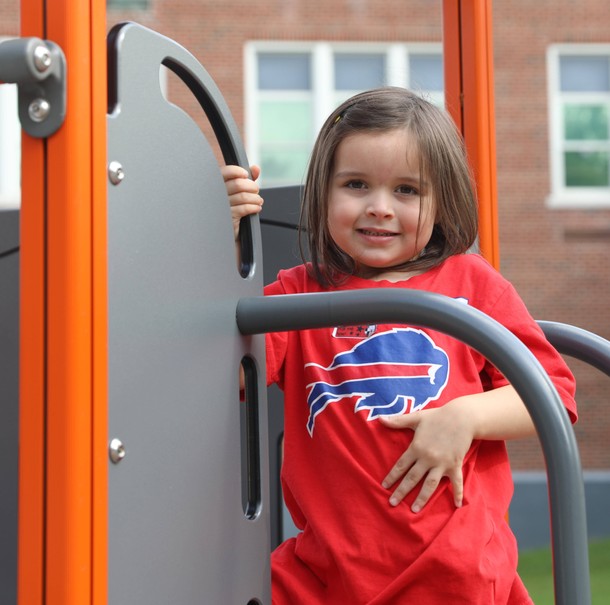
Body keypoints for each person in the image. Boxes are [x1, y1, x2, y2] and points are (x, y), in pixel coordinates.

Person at [222, 87, 577, 604]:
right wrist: (223, 241)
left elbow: (551, 394)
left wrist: (466, 417)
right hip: (324, 577)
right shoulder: (298, 293)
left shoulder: (470, 285)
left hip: (451, 575)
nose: (379, 208)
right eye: (356, 184)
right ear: (322, 193)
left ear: (443, 200)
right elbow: (220, 368)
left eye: (407, 190)